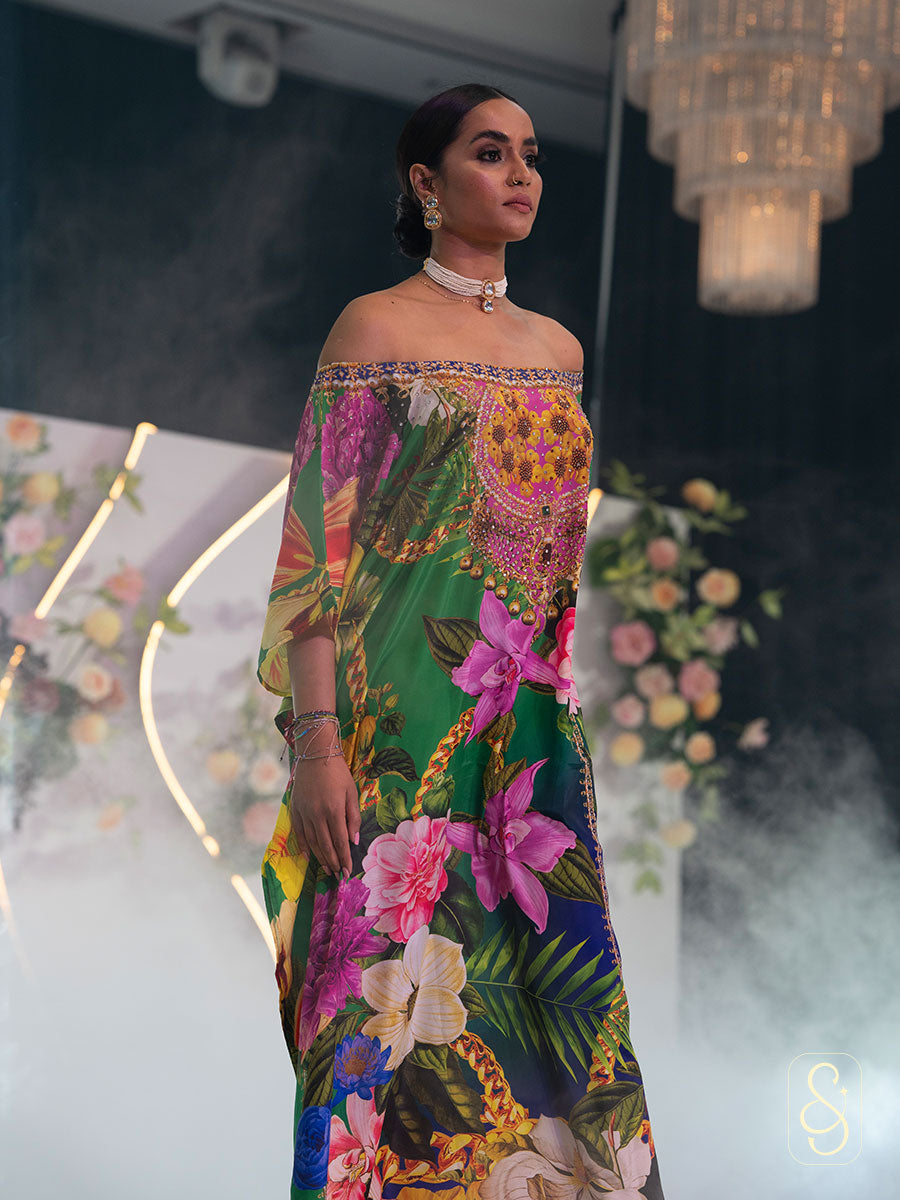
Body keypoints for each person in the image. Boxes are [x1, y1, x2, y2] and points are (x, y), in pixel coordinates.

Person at [257, 82, 666, 1200]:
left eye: (532, 154)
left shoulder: (559, 351)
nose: (523, 174)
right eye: (492, 153)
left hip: (521, 725)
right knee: (377, 1007)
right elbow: (314, 556)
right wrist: (318, 748)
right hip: (393, 731)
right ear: (427, 184)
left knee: (547, 1004)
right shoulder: (374, 328)